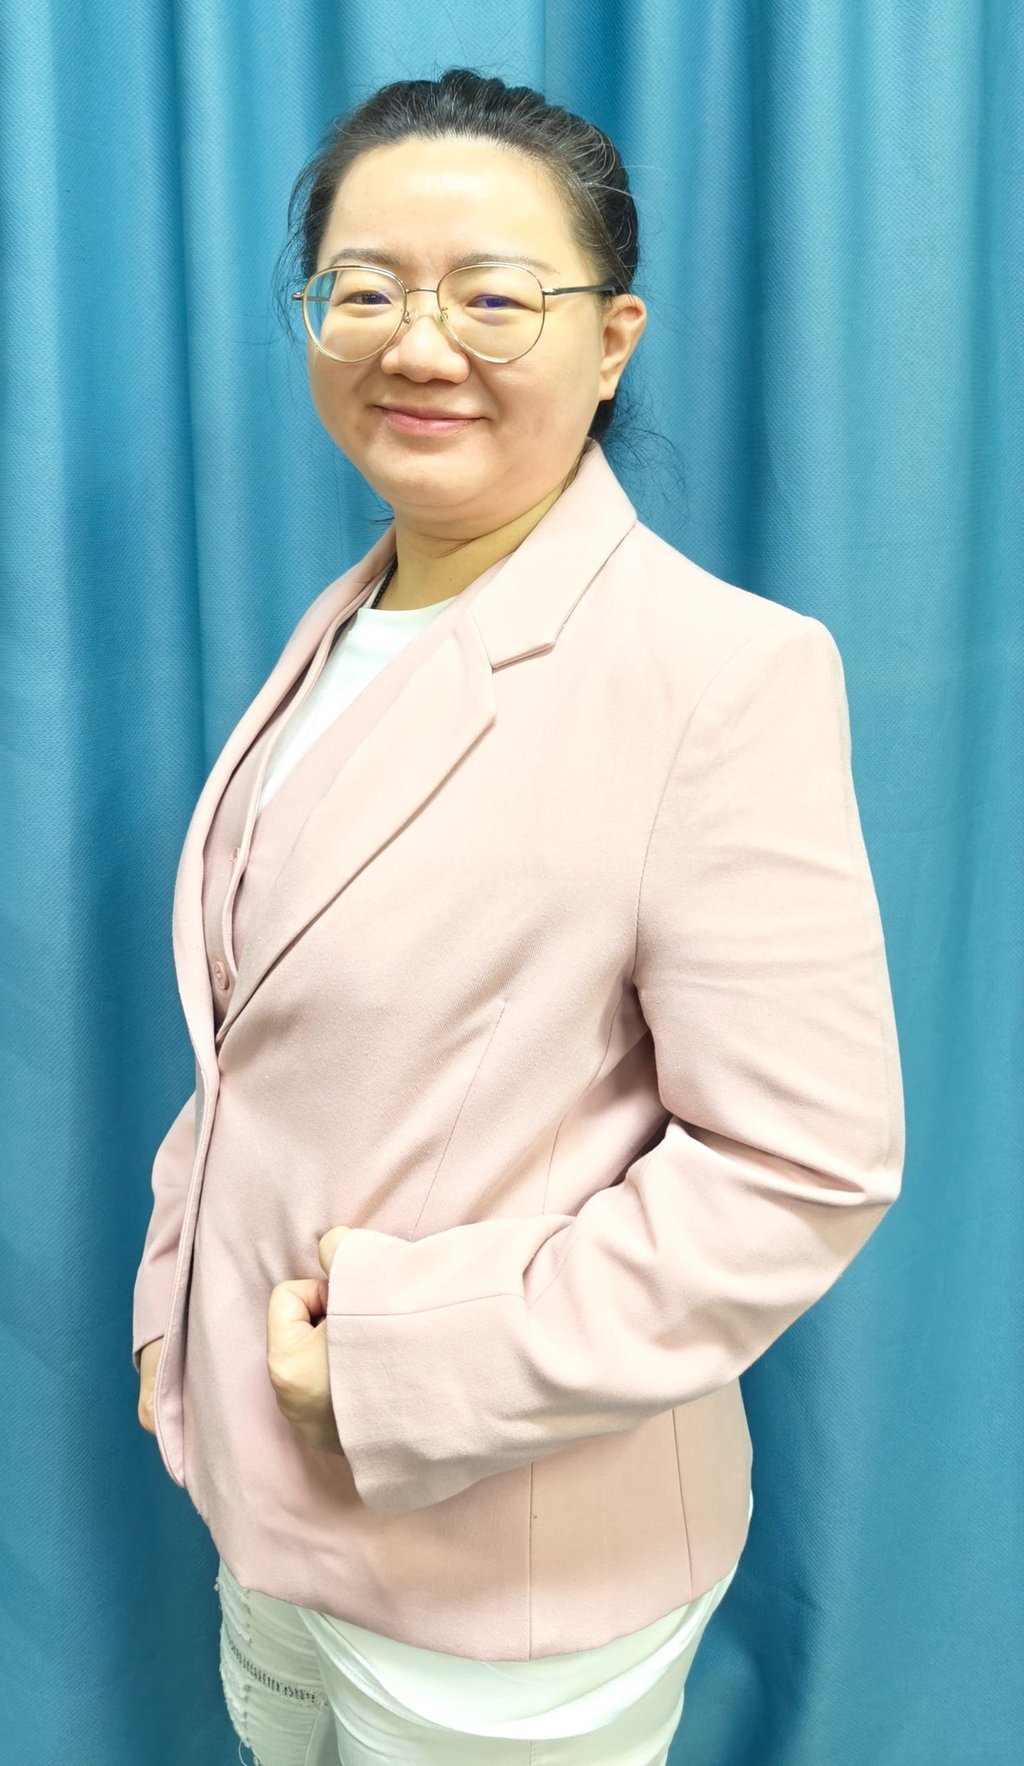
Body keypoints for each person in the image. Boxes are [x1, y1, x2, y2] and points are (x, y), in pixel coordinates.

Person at [132, 67, 904, 1766]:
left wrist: (396, 1368)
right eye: (364, 289)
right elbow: (268, 1041)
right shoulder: (346, 627)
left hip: (510, 1584)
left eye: (494, 297)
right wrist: (176, 1297)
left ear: (612, 339)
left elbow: (803, 1166)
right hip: (268, 1511)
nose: (419, 344)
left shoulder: (719, 675)